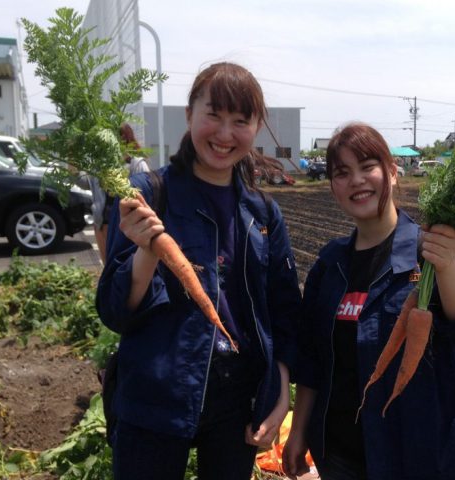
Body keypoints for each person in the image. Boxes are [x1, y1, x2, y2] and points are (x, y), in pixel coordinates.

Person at [96, 62, 301, 480]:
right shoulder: (151, 194)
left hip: (236, 397)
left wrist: (280, 393)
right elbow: (115, 312)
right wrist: (147, 251)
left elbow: (283, 313)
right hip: (156, 388)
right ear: (189, 116)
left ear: (256, 127)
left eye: (240, 121)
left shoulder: (261, 211)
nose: (225, 135)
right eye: (213, 116)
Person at [282, 123, 455, 480]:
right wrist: (299, 431)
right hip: (340, 456)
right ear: (333, 187)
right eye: (342, 173)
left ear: (392, 173)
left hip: (424, 456)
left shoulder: (430, 251)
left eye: (367, 166)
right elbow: (313, 360)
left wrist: (445, 264)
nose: (356, 180)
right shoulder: (331, 264)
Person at [89, 123, 150, 264]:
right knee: (108, 268)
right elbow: (85, 182)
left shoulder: (136, 164)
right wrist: (73, 162)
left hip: (127, 228)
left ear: (123, 138)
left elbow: (146, 195)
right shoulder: (100, 165)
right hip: (102, 225)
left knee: (127, 269)